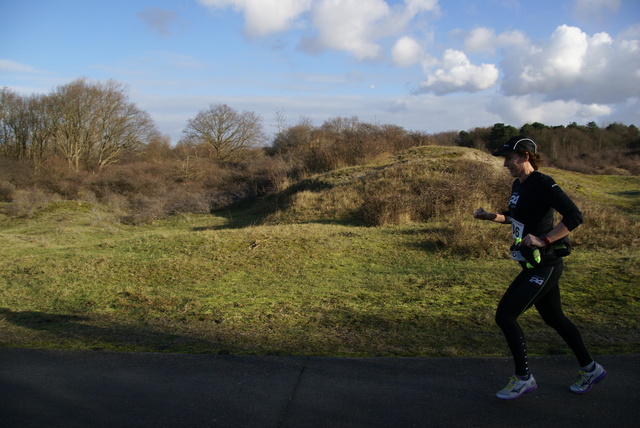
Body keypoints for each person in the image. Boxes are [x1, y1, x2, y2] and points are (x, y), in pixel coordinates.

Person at [474, 135, 606, 400]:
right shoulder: (518, 185)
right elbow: (516, 217)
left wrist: (544, 239)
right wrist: (492, 216)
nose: (505, 164)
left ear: (525, 156)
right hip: (531, 263)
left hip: (545, 264)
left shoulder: (543, 183)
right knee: (554, 318)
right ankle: (591, 368)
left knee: (505, 315)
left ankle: (524, 378)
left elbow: (574, 216)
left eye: (509, 159)